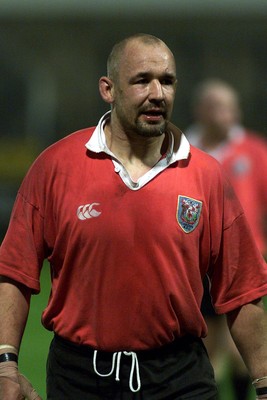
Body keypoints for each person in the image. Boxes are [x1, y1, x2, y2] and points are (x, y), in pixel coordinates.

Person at [0, 34, 267, 400]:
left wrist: (265, 384)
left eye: (167, 81)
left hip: (180, 377)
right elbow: (14, 272)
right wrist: (6, 365)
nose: (157, 93)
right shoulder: (55, 167)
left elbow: (243, 292)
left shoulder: (207, 175)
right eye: (142, 80)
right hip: (81, 379)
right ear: (108, 89)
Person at [185, 79, 267, 400]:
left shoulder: (255, 151)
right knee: (204, 343)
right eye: (220, 107)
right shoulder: (182, 149)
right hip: (195, 261)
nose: (229, 115)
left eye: (233, 107)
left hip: (241, 261)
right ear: (201, 111)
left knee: (240, 342)